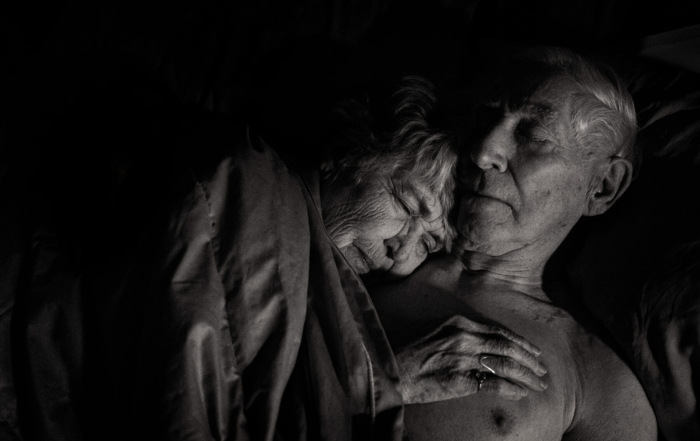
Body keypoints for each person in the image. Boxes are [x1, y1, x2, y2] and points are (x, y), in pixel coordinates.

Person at [28, 76, 546, 441]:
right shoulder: (252, 186)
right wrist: (383, 381)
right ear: (351, 153)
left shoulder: (334, 291)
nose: (401, 249)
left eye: (428, 246)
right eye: (408, 206)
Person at [371, 47, 658, 440]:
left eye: (531, 135)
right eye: (484, 119)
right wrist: (379, 384)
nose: (483, 151)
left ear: (603, 187)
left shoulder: (596, 379)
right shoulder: (372, 237)